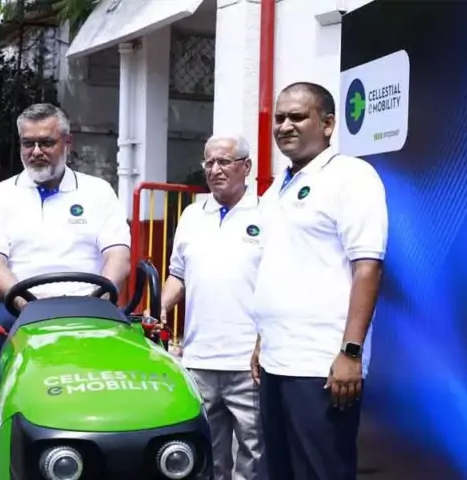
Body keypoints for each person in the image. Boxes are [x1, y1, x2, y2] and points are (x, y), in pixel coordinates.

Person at [250, 82, 388, 480]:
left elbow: (368, 267)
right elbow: (279, 267)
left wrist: (350, 353)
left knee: (320, 472)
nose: (285, 126)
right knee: (278, 472)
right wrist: (262, 339)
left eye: (297, 117)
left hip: (321, 366)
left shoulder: (352, 177)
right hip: (276, 361)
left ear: (327, 124)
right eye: (279, 118)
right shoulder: (276, 189)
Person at [0, 103, 131, 428]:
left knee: (129, 355)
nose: (36, 152)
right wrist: (27, 306)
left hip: (89, 303)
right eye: (28, 143)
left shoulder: (98, 192)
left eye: (46, 142)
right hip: (16, 305)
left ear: (67, 143)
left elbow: (118, 257)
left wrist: (98, 302)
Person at [159, 135, 265, 480]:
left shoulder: (268, 214)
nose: (215, 169)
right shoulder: (192, 215)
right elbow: (177, 275)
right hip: (199, 361)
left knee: (254, 459)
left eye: (224, 162)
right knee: (205, 457)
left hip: (248, 365)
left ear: (246, 167)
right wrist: (159, 306)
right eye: (209, 162)